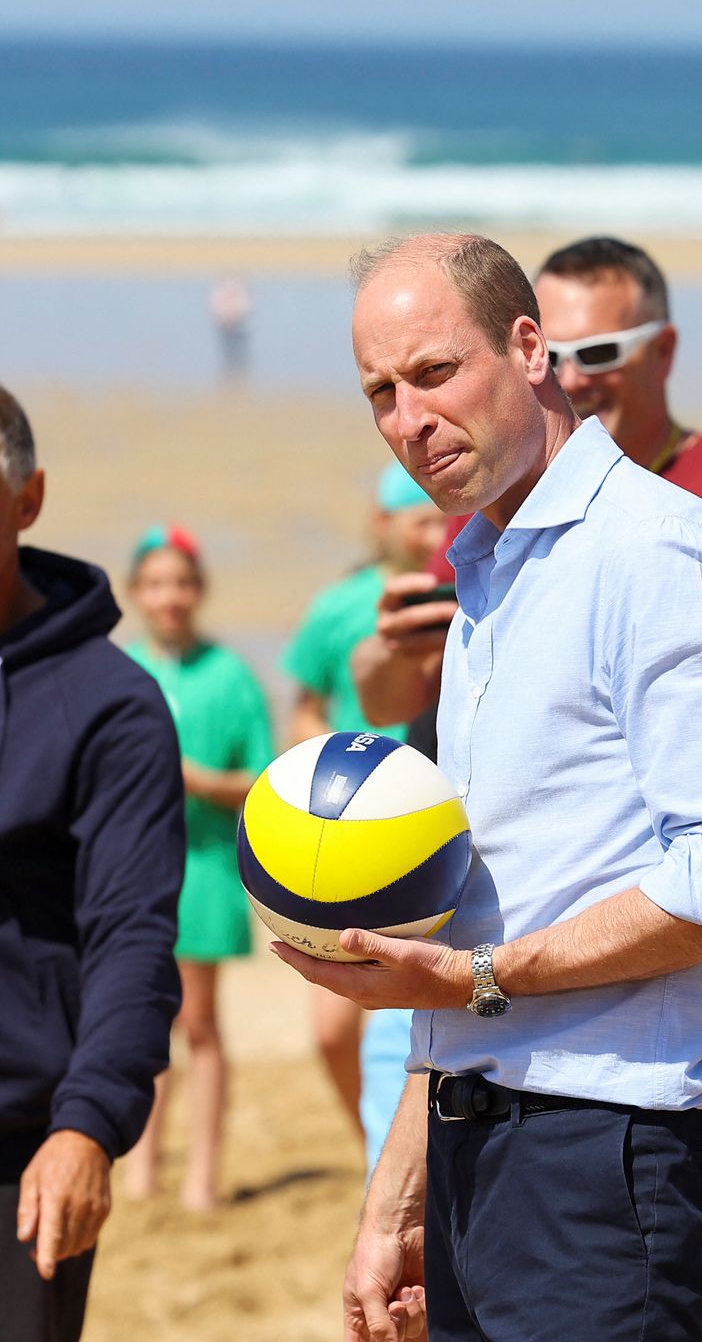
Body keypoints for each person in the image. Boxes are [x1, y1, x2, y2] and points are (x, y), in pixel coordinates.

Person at [272, 233, 702, 1342]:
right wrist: (396, 1203)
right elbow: (477, 922)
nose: (408, 420)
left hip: (611, 1152)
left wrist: (479, 977)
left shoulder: (656, 552)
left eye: (432, 373)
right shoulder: (486, 575)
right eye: (380, 391)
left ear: (528, 348)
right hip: (477, 1144)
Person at [353, 235, 702, 793]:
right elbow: (389, 698)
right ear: (533, 352)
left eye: (601, 353)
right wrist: (396, 647)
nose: (572, 377)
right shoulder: (493, 493)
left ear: (664, 351)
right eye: (558, 354)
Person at [0, 386, 185, 1340]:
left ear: (27, 501)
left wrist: (86, 1127)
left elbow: (132, 939)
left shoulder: (112, 707)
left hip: (22, 1148)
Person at [282, 464, 445, 1145]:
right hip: (343, 832)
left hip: (421, 832)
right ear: (383, 525)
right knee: (330, 1029)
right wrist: (331, 778)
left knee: (413, 1003)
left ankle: (397, 1143)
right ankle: (372, 1140)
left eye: (442, 518)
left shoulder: (457, 591)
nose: (435, 532)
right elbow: (303, 710)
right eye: (421, 519)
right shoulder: (340, 606)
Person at [122, 525, 273, 1210]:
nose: (169, 597)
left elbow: (265, 778)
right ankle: (140, 1167)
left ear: (200, 591)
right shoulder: (121, 669)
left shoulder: (232, 675)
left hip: (206, 867)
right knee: (138, 1021)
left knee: (201, 1023)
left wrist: (199, 781)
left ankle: (201, 1177)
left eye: (181, 583)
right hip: (127, 871)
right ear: (135, 594)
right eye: (155, 584)